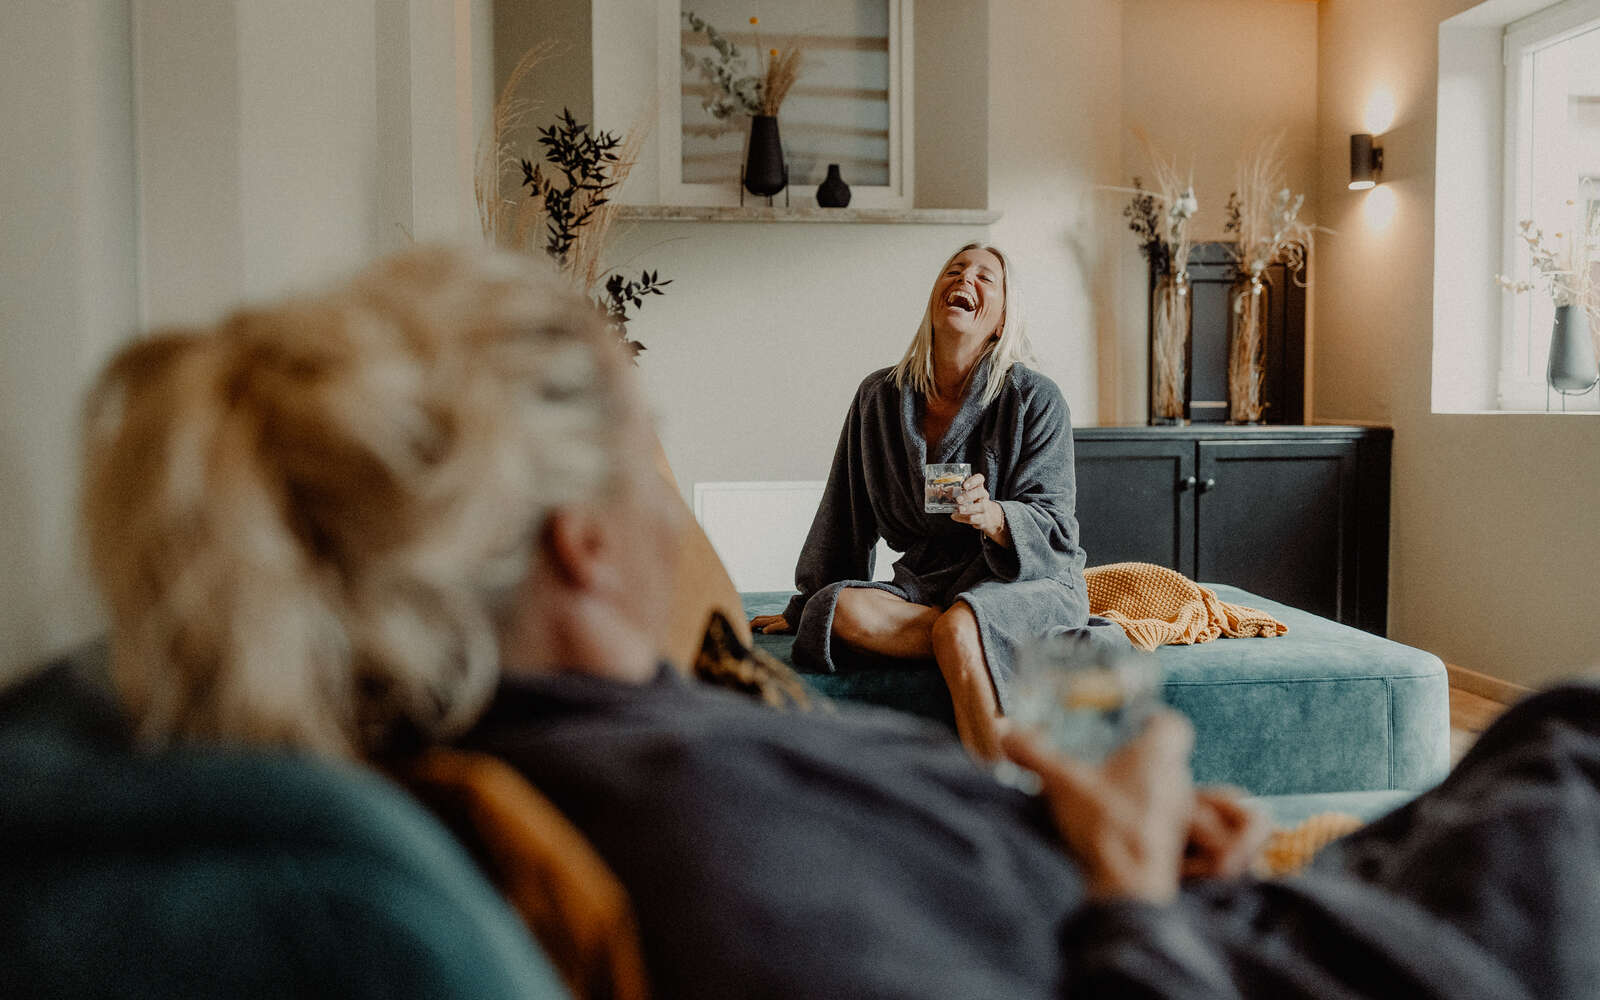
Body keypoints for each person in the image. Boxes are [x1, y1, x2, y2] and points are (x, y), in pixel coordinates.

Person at [81, 245, 1600, 999]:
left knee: (1541, 731)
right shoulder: (695, 821)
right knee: (1572, 738)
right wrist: (1129, 880)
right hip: (1221, 949)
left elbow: (1059, 548)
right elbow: (823, 561)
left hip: (1057, 663)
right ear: (580, 536)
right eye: (647, 450)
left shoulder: (630, 741)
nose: (671, 501)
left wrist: (1075, 818)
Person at [749, 243, 1125, 759]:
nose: (965, 278)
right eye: (955, 270)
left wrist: (994, 516)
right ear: (935, 298)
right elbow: (845, 512)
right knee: (839, 611)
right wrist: (804, 605)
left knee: (959, 625)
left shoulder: (1035, 399)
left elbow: (1058, 529)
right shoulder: (879, 398)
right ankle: (993, 643)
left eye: (985, 277)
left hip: (1027, 583)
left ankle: (996, 782)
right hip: (930, 586)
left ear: (1001, 320)